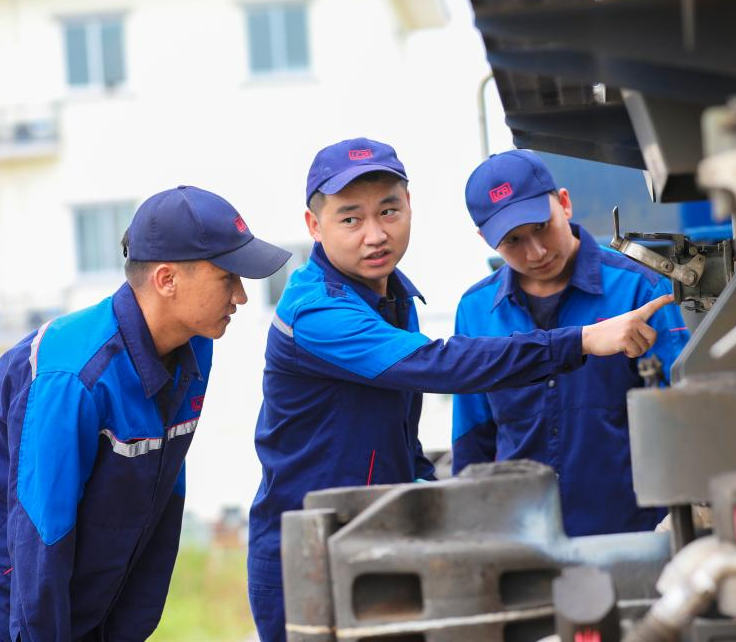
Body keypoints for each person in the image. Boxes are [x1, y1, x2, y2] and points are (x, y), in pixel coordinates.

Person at [246, 138, 675, 642]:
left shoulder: (393, 298)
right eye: (350, 219)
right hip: (311, 553)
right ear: (313, 226)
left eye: (389, 211)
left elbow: (398, 438)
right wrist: (582, 340)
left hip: (382, 542)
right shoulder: (320, 311)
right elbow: (440, 369)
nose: (375, 235)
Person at [0, 186, 291, 641]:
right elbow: (42, 530)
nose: (241, 297)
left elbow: (161, 493)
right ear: (167, 280)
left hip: (53, 556)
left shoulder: (194, 347)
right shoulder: (76, 378)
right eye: (228, 278)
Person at [452, 149, 691, 537]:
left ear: (564, 202)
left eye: (541, 227)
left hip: (633, 535)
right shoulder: (475, 310)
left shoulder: (639, 290)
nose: (536, 252)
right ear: (485, 239)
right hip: (521, 541)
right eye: (513, 240)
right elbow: (472, 436)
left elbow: (683, 414)